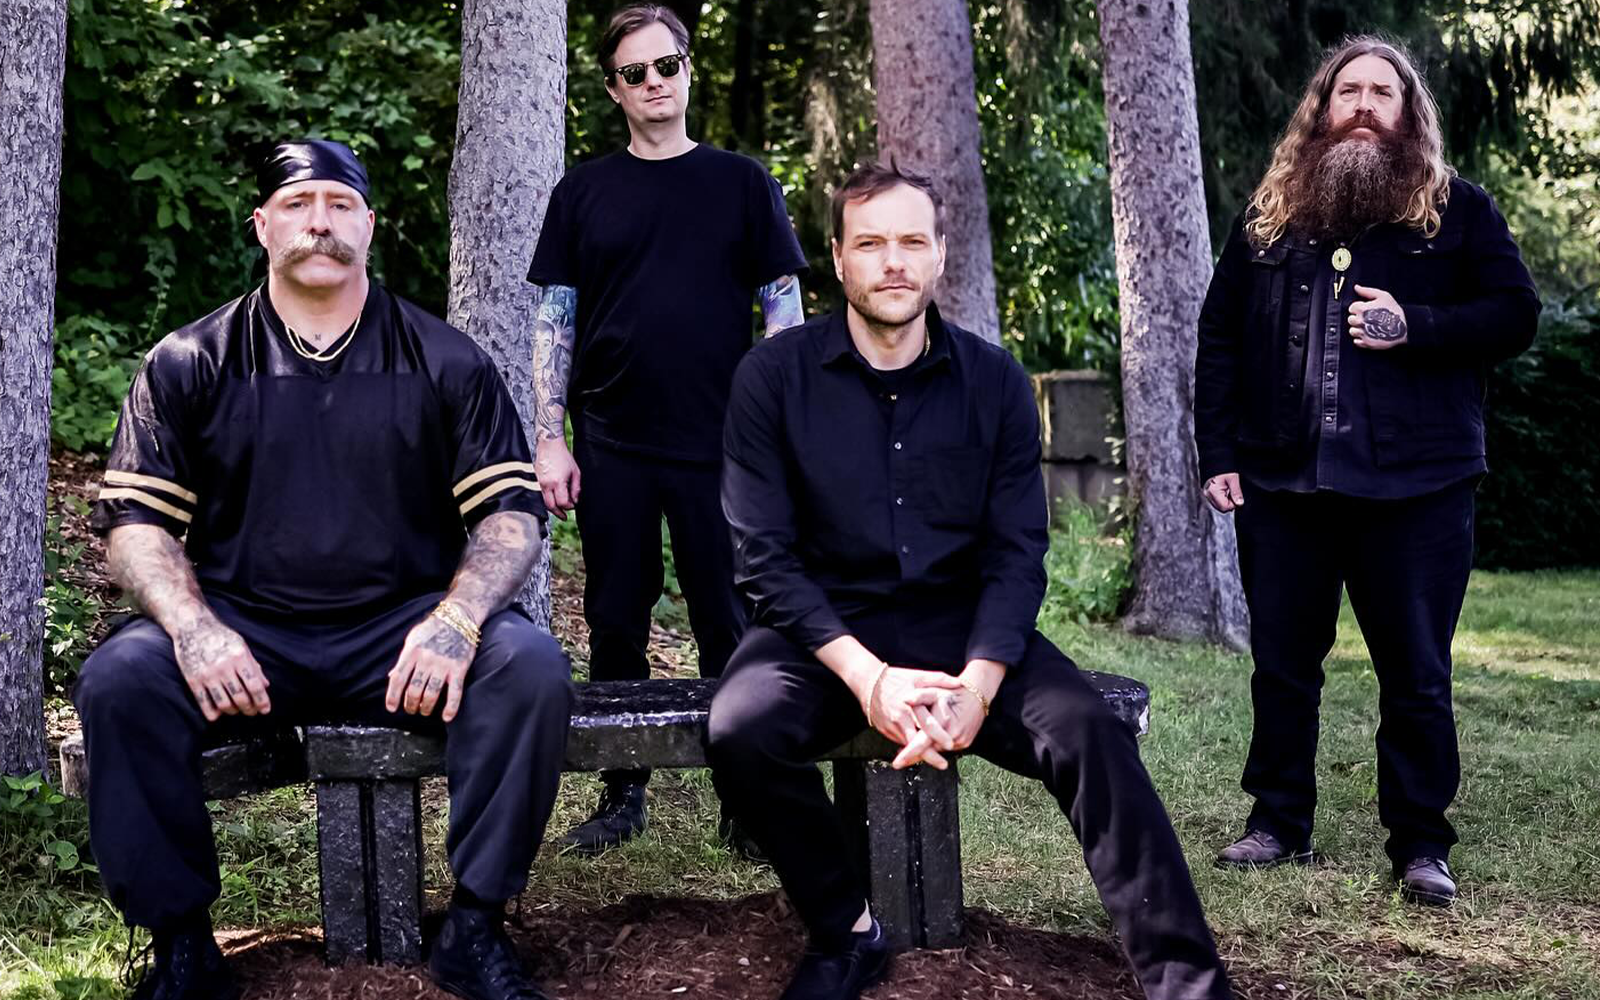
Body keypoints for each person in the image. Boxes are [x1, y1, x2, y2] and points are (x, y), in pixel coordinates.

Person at [705, 162, 1234, 1000]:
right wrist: (870, 679)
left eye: (912, 241)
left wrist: (980, 686)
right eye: (870, 244)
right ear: (837, 259)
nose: (893, 262)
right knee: (740, 728)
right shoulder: (771, 378)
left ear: (940, 254)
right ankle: (847, 932)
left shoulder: (995, 382)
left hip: (964, 629)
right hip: (824, 635)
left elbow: (1017, 553)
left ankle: (1189, 985)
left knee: (1089, 732)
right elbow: (764, 559)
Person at [77, 139, 572, 1000]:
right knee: (121, 679)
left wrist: (457, 622)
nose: (320, 222)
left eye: (340, 205)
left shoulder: (444, 358)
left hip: (403, 632)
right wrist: (193, 630)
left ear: (369, 225)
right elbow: (135, 526)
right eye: (298, 205)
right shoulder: (190, 360)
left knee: (528, 666)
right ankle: (181, 945)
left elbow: (510, 515)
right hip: (244, 631)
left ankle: (475, 927)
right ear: (262, 226)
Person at [1194, 37, 1540, 905]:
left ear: (1408, 112)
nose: (1363, 105)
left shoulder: (1457, 210)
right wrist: (1220, 453)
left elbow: (1515, 314)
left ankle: (1421, 843)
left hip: (1417, 488)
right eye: (1347, 90)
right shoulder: (1271, 213)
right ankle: (1278, 823)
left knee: (1416, 673)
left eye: (1382, 92)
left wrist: (1416, 325)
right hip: (1285, 483)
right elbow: (1220, 335)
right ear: (1321, 108)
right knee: (1282, 666)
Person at [525, 2, 808, 854]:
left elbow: (782, 310)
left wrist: (779, 426)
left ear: (688, 69)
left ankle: (745, 796)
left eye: (666, 65)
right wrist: (548, 437)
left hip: (723, 446)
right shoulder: (583, 193)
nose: (654, 82)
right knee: (616, 616)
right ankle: (623, 793)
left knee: (730, 619)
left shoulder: (743, 184)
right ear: (614, 89)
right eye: (634, 72)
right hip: (611, 440)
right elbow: (554, 318)